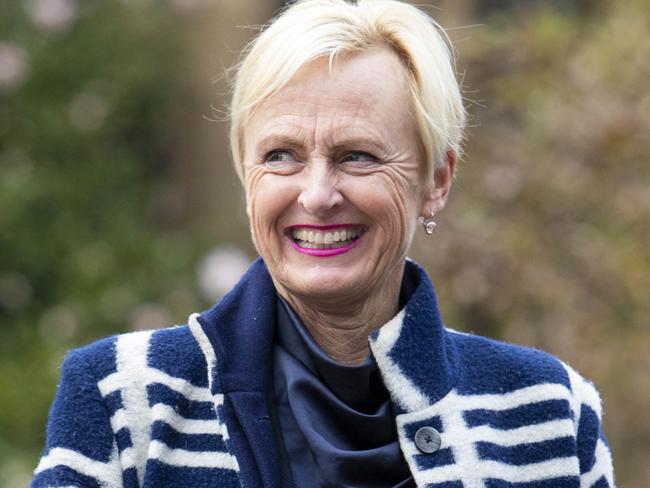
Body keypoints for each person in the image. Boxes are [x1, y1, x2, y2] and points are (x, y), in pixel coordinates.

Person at [32, 0, 615, 486]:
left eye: (356, 155)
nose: (316, 195)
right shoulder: (122, 400)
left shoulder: (550, 414)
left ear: (436, 180)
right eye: (280, 155)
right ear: (245, 175)